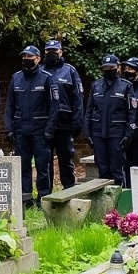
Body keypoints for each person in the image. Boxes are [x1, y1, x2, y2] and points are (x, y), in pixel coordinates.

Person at [5, 45, 58, 198]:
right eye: (24, 57)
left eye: (30, 57)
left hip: (40, 131)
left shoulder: (47, 78)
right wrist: (9, 128)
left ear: (38, 59)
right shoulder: (16, 78)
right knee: (23, 167)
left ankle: (44, 197)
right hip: (20, 130)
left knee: (42, 167)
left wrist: (49, 129)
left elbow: (54, 106)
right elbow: (9, 105)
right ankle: (25, 198)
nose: (26, 59)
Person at [43, 40, 84, 189]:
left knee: (66, 160)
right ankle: (46, 193)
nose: (51, 53)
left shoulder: (70, 71)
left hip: (65, 124)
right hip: (45, 124)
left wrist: (77, 122)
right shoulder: (40, 71)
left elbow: (78, 98)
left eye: (54, 50)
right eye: (48, 51)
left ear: (61, 52)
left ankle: (69, 190)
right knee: (45, 161)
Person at [86, 54, 132, 185]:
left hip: (117, 133)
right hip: (98, 133)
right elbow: (89, 110)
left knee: (117, 169)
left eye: (111, 67)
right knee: (102, 169)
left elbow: (131, 113)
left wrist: (128, 134)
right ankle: (103, 202)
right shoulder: (96, 86)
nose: (108, 70)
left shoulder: (126, 86)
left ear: (118, 68)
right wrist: (87, 133)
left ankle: (118, 202)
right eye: (105, 67)